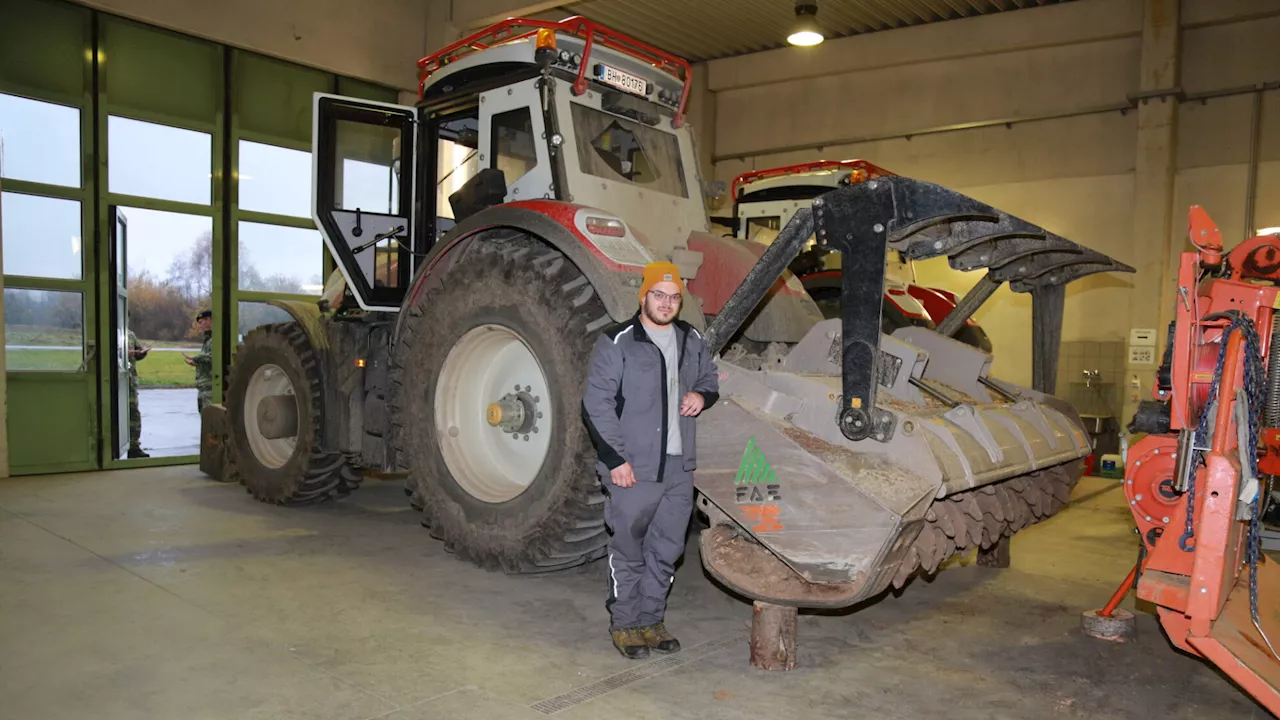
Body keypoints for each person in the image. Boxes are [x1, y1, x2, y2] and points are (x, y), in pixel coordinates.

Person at [582, 261, 720, 660]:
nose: (666, 303)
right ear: (643, 296)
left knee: (667, 549)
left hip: (679, 469)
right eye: (658, 295)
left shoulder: (691, 338)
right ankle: (625, 624)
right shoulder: (618, 341)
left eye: (674, 297)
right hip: (633, 468)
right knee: (628, 550)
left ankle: (650, 620)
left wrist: (702, 396)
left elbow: (709, 379)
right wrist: (615, 459)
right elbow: (595, 405)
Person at [126, 328, 151, 458]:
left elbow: (137, 352)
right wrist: (123, 353)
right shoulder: (108, 334)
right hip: (112, 381)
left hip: (129, 381)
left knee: (133, 413)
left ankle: (134, 446)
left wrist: (141, 353)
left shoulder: (130, 334)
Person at [183, 310, 213, 412]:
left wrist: (195, 358)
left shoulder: (215, 339)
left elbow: (212, 357)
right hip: (204, 386)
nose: (200, 325)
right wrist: (196, 363)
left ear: (209, 320)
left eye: (201, 322)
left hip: (210, 386)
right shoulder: (208, 339)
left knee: (209, 417)